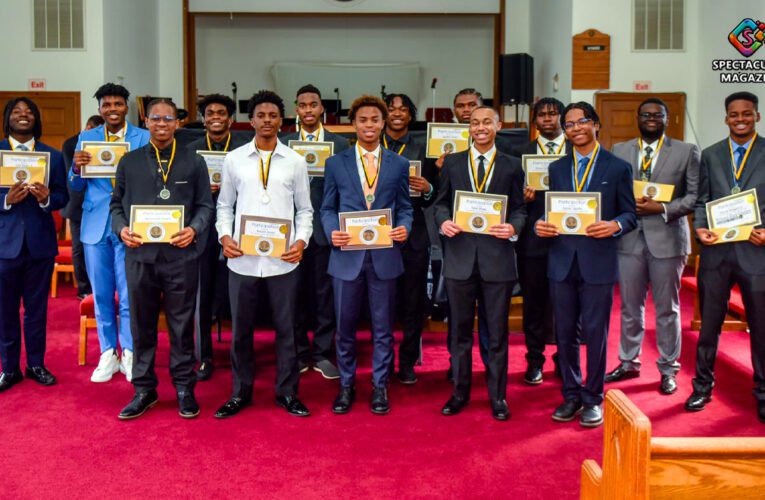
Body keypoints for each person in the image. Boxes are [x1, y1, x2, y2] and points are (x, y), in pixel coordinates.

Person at [110, 98, 214, 419]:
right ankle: (144, 388)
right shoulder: (129, 161)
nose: (162, 124)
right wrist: (122, 228)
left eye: (168, 119)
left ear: (178, 123)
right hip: (140, 256)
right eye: (156, 118)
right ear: (146, 120)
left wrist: (195, 230)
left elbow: (205, 206)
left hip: (180, 255)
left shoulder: (194, 161)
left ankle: (184, 387)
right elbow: (115, 205)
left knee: (182, 325)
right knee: (141, 325)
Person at [536, 102, 636, 428]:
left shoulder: (617, 167)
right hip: (562, 259)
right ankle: (571, 394)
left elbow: (630, 214)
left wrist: (615, 225)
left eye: (582, 121)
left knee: (595, 333)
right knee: (563, 333)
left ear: (595, 124)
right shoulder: (558, 168)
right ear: (564, 131)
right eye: (569, 124)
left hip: (598, 261)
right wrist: (542, 224)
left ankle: (593, 397)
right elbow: (551, 211)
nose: (575, 128)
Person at [214, 90, 313, 419]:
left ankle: (287, 392)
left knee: (287, 330)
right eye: (261, 115)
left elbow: (305, 211)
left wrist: (301, 242)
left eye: (273, 115)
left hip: (283, 262)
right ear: (251, 120)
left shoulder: (296, 161)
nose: (267, 120)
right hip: (241, 259)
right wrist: (224, 236)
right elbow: (224, 205)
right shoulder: (234, 159)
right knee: (240, 330)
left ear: (282, 121)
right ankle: (240, 392)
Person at [321, 95, 413, 415]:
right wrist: (332, 231)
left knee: (383, 326)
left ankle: (380, 385)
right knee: (345, 326)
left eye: (375, 120)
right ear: (354, 124)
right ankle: (346, 384)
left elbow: (405, 207)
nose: (369, 125)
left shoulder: (399, 164)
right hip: (347, 256)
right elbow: (327, 208)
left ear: (383, 123)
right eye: (363, 120)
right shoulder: (335, 163)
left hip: (385, 255)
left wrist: (404, 227)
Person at [434, 105, 526, 421]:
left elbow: (519, 209)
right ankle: (459, 392)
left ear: (498, 125)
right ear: (468, 128)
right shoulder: (454, 163)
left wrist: (514, 226)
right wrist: (443, 221)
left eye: (487, 122)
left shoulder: (512, 166)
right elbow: (440, 203)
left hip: (496, 261)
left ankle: (498, 396)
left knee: (497, 333)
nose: (481, 127)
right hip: (460, 259)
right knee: (459, 333)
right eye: (475, 123)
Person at [605, 98, 700, 395]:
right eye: (645, 114)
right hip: (629, 239)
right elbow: (612, 191)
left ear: (666, 119)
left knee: (667, 309)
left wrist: (661, 208)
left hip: (669, 239)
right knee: (630, 307)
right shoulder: (620, 150)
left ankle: (668, 369)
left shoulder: (686, 151)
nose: (650, 119)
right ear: (637, 117)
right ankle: (629, 361)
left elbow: (695, 196)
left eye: (656, 115)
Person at [686, 91, 765, 422]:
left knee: (761, 328)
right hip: (717, 253)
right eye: (734, 114)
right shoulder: (712, 154)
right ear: (726, 118)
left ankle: (762, 392)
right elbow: (703, 198)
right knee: (709, 327)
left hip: (756, 253)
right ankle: (702, 386)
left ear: (757, 116)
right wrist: (701, 228)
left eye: (747, 113)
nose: (741, 119)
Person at [70, 83, 150, 383]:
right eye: (107, 105)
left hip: (131, 224)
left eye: (118, 104)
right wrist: (76, 169)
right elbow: (75, 185)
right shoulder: (86, 138)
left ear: (126, 107)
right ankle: (108, 353)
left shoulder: (142, 137)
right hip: (94, 225)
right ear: (100, 109)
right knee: (101, 293)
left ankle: (129, 351)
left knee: (130, 294)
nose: (112, 109)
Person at [0, 97, 68, 392]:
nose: (23, 116)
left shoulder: (52, 155)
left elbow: (64, 196)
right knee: (5, 311)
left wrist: (46, 199)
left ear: (36, 119)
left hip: (39, 245)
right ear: (8, 119)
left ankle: (36, 364)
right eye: (17, 112)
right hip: (4, 246)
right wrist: (5, 200)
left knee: (37, 310)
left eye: (29, 112)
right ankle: (9, 368)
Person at [282, 84, 349, 380]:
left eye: (314, 104)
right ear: (296, 109)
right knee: (292, 296)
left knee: (325, 296)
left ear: (322, 108)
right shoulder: (283, 144)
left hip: (325, 232)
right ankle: (297, 354)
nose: (308, 109)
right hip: (290, 232)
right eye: (303, 105)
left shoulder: (340, 145)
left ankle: (322, 353)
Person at [186, 93, 248, 381]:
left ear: (230, 119)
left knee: (240, 295)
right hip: (201, 229)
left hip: (238, 228)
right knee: (202, 294)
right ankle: (203, 357)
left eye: (221, 113)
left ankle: (242, 355)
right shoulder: (190, 149)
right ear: (202, 118)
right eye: (209, 113)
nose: (215, 117)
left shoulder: (245, 148)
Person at [512, 97, 569, 385]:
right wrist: (520, 196)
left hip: (569, 240)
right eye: (542, 115)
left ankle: (564, 358)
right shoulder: (521, 154)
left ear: (561, 117)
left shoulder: (577, 151)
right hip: (532, 242)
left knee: (568, 303)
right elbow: (511, 200)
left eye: (553, 114)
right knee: (533, 303)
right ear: (534, 121)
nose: (547, 119)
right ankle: (535, 359)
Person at [383, 93, 436, 384]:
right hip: (377, 234)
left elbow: (433, 198)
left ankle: (407, 362)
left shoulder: (425, 149)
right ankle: (383, 360)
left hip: (413, 236)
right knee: (381, 302)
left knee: (413, 302)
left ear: (410, 114)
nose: (397, 114)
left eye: (403, 109)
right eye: (391, 109)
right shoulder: (371, 147)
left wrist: (427, 188)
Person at [61, 114, 104, 300]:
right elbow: (70, 175)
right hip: (76, 203)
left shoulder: (104, 144)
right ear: (87, 127)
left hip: (99, 204)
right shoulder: (71, 144)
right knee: (79, 248)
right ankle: (84, 289)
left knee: (100, 248)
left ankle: (100, 287)